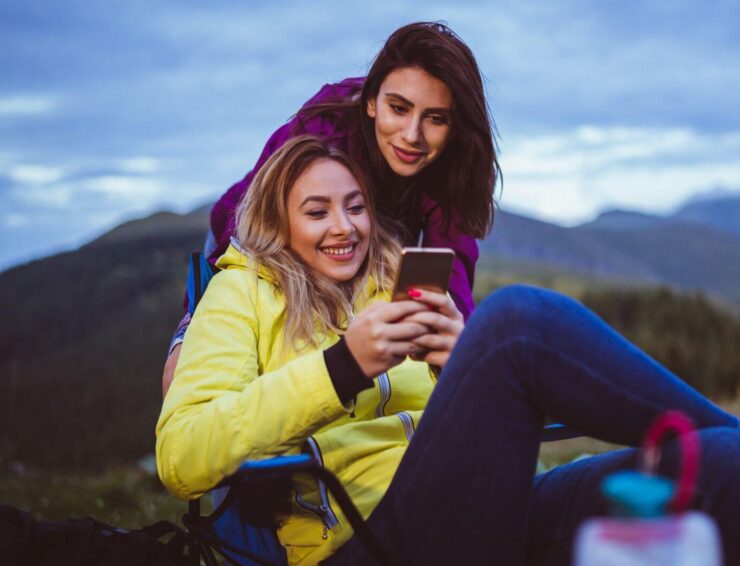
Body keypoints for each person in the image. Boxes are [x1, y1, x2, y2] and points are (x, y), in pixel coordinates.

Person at [156, 136, 740, 566]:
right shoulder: (243, 294)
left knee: (731, 469)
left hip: (483, 520)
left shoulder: (387, 288)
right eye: (316, 210)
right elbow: (184, 454)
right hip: (366, 548)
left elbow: (463, 433)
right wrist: (339, 367)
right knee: (515, 321)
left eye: (354, 205)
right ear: (278, 225)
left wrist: (457, 370)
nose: (344, 226)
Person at [161, 21, 498, 395]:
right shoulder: (324, 129)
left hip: (356, 254)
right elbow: (244, 242)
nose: (411, 135)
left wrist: (452, 356)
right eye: (398, 108)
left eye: (435, 118)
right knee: (196, 372)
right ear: (371, 101)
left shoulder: (453, 166)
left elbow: (447, 275)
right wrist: (192, 327)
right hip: (250, 232)